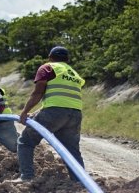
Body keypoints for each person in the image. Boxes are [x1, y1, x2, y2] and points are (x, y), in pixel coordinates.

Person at [9, 46, 85, 183]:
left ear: (50, 57)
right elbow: (64, 100)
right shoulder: (74, 73)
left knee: (25, 142)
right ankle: (79, 181)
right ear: (67, 59)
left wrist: (25, 112)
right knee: (72, 150)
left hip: (54, 112)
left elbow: (38, 93)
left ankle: (26, 177)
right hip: (75, 113)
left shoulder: (48, 68)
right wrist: (38, 113)